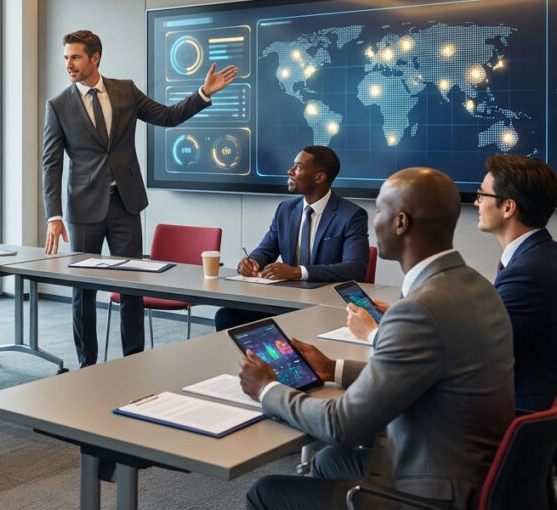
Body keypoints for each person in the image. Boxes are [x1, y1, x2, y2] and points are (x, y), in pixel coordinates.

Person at [238, 167, 514, 510]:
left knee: (264, 491)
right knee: (329, 461)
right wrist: (332, 369)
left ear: (401, 223)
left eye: (379, 211)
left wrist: (266, 389)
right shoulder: (478, 287)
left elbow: (342, 425)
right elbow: (421, 373)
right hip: (474, 472)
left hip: (429, 492)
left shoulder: (418, 310)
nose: (373, 222)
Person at [43, 29, 237, 367]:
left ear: (95, 58)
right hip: (84, 208)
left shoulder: (125, 91)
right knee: (83, 291)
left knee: (132, 286)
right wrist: (53, 215)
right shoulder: (58, 105)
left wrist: (204, 93)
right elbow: (51, 162)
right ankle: (87, 366)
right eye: (66, 58)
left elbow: (167, 116)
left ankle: (132, 360)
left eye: (75, 57)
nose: (69, 64)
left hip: (126, 204)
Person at [348, 154, 557, 412]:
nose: (476, 202)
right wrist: (413, 319)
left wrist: (373, 332)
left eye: (483, 195)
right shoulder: (542, 255)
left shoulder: (527, 274)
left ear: (508, 207)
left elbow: (475, 354)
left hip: (509, 413)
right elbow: (484, 328)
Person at [218, 146, 368, 330]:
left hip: (327, 305)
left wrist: (296, 271)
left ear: (319, 177)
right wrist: (252, 262)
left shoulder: (351, 215)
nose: (290, 171)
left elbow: (355, 268)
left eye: (298, 167)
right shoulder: (285, 210)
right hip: (286, 300)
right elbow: (267, 249)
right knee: (227, 316)